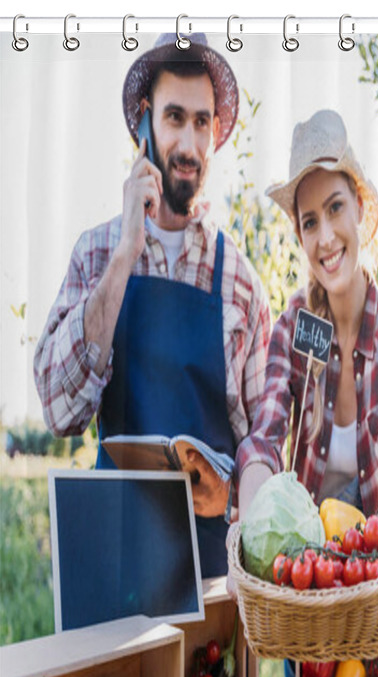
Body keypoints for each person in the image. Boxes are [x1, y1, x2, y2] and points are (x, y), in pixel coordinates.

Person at [233, 109, 378, 665]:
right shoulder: (294, 328)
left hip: (375, 592)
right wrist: (247, 526)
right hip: (306, 597)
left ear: (360, 207)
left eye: (335, 207)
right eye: (309, 221)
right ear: (299, 235)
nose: (326, 235)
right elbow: (264, 440)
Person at [33, 33, 270, 578]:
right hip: (113, 569)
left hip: (211, 577)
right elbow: (58, 409)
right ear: (144, 123)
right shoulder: (97, 254)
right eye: (174, 117)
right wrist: (125, 256)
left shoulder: (238, 279)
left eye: (203, 122)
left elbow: (266, 443)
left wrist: (232, 489)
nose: (189, 143)